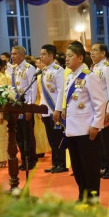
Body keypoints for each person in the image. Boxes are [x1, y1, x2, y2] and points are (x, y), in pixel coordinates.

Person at [64, 44, 106, 202]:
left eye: (70, 56)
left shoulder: (89, 76)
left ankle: (93, 198)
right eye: (66, 56)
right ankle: (83, 194)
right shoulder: (70, 76)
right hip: (72, 129)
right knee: (78, 166)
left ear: (80, 58)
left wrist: (96, 125)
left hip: (86, 129)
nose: (66, 59)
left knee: (90, 166)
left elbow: (99, 102)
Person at [90, 42, 109, 179]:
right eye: (91, 50)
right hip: (97, 111)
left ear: (103, 53)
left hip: (106, 111)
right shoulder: (94, 68)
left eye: (95, 50)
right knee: (100, 143)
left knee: (108, 142)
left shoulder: (108, 68)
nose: (92, 53)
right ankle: (104, 166)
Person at [38, 44, 68, 173]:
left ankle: (61, 163)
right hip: (46, 110)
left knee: (58, 138)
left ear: (51, 55)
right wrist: (40, 109)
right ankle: (55, 163)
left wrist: (58, 109)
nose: (41, 56)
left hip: (54, 110)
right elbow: (42, 93)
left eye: (44, 54)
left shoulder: (58, 70)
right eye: (41, 54)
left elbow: (61, 91)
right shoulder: (43, 71)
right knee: (51, 139)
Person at [11, 46, 38, 171]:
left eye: (15, 54)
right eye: (12, 54)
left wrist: (29, 108)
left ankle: (31, 160)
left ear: (22, 55)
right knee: (19, 136)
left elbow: (33, 88)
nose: (13, 56)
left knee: (28, 135)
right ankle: (23, 159)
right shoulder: (14, 69)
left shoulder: (29, 68)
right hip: (17, 106)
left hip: (26, 104)